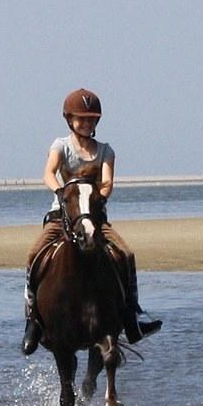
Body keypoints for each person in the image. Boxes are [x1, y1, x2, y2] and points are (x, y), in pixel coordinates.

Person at [21, 88, 162, 355]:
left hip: (95, 216)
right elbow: (49, 173)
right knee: (32, 254)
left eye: (91, 119)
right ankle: (32, 321)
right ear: (69, 119)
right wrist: (61, 193)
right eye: (81, 118)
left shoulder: (105, 151)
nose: (86, 123)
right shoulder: (60, 146)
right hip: (62, 216)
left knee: (127, 254)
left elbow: (107, 183)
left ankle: (132, 319)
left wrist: (97, 198)